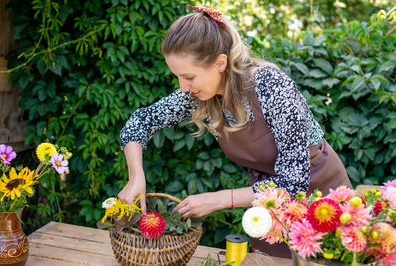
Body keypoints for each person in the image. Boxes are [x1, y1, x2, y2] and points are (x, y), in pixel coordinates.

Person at [118, 5, 352, 258]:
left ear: (220, 63)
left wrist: (217, 199)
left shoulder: (271, 85)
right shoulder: (197, 96)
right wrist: (135, 176)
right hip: (267, 210)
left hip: (321, 201)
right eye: (177, 77)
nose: (183, 87)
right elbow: (140, 122)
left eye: (189, 76)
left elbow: (293, 183)